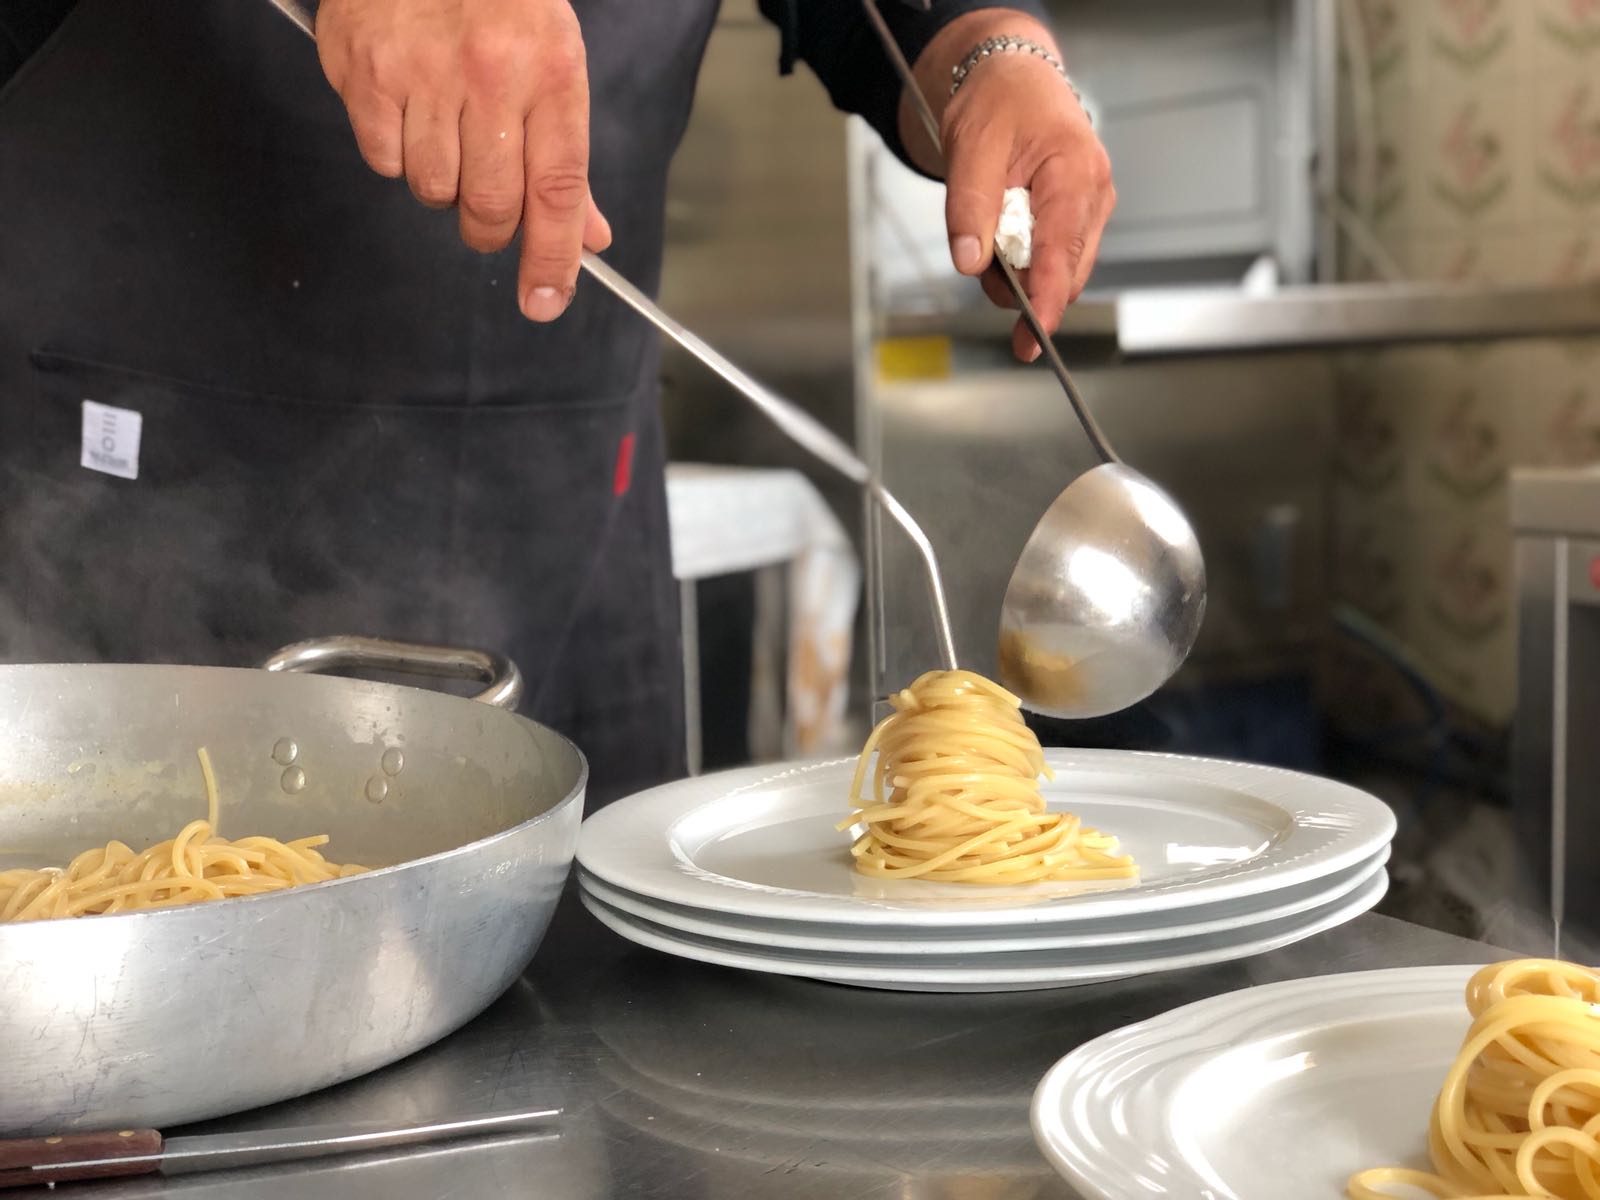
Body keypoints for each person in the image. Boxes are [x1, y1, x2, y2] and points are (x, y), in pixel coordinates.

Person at [0, 0, 1115, 805]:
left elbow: (880, 22)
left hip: (573, 511)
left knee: (598, 1043)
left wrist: (988, 52)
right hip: (135, 526)